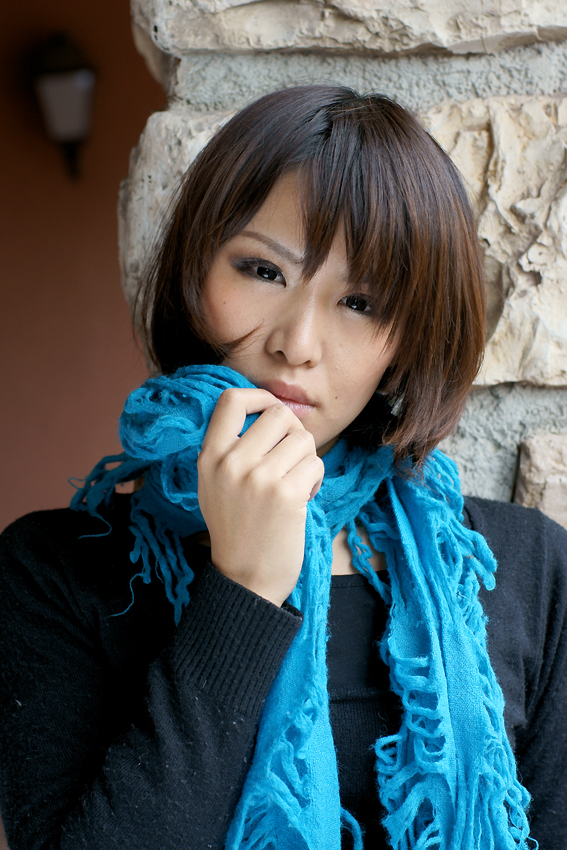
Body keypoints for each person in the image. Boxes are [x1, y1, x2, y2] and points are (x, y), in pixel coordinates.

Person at [1, 85, 566, 850]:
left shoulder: (527, 570)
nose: (295, 343)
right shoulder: (53, 573)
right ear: (194, 274)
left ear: (405, 345)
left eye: (360, 302)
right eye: (263, 270)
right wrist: (243, 589)